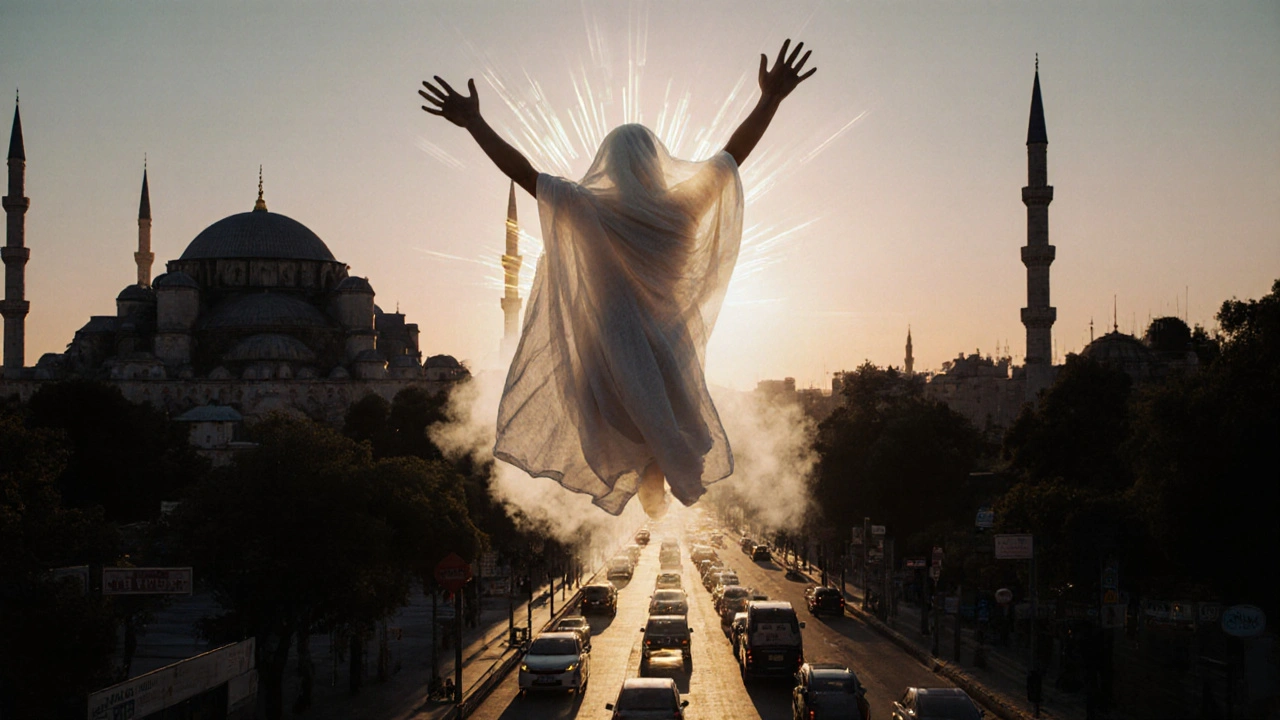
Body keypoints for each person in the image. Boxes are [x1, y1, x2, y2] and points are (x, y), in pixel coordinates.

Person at [420, 40, 816, 518]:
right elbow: (733, 154)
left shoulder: (586, 209)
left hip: (607, 348)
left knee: (615, 417)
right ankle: (659, 463)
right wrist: (769, 99)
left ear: (607, 163)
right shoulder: (683, 209)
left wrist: (475, 124)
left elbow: (524, 173)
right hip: (667, 344)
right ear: (657, 162)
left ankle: (647, 466)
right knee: (668, 419)